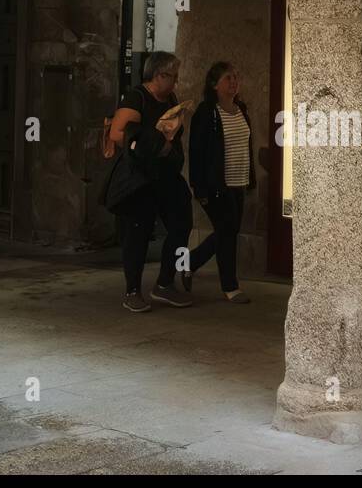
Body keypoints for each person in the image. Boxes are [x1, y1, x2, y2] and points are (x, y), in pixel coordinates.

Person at [106, 51, 194, 313]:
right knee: (138, 233)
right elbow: (118, 133)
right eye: (172, 77)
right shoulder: (137, 98)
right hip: (140, 177)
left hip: (166, 174)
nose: (175, 83)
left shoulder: (171, 98)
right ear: (158, 75)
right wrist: (155, 144)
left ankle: (164, 284)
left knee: (181, 223)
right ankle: (132, 290)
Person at [187, 61, 255, 303]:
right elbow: (196, 152)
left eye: (236, 77)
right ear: (215, 84)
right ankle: (230, 286)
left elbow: (245, 146)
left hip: (238, 182)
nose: (234, 82)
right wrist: (199, 187)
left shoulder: (241, 109)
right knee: (227, 232)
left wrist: (251, 179)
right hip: (216, 184)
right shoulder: (206, 113)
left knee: (228, 231)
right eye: (228, 78)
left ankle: (188, 264)